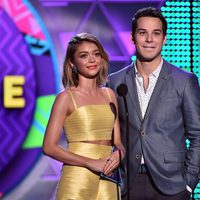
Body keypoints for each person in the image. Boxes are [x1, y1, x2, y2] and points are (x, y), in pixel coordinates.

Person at [108, 7, 200, 200]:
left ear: (164, 39)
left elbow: (198, 135)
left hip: (172, 185)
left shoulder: (184, 80)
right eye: (143, 33)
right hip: (128, 183)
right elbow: (109, 134)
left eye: (156, 33)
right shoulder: (115, 82)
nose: (149, 39)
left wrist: (189, 184)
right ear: (133, 38)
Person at [43, 32, 125, 200]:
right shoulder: (65, 98)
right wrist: (89, 162)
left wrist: (119, 155)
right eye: (84, 55)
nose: (92, 60)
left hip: (108, 176)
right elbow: (49, 147)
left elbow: (118, 143)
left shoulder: (110, 94)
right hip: (78, 177)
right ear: (72, 63)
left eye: (96, 54)